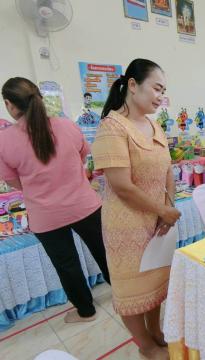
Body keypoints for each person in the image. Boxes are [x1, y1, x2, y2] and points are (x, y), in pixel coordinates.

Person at [0, 77, 110, 323]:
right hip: (84, 204)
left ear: (9, 104)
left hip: (45, 216)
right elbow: (84, 156)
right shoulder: (66, 125)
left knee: (67, 265)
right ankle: (124, 295)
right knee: (105, 252)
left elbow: (13, 182)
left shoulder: (4, 141)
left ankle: (86, 311)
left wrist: (38, 187)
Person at [91, 59, 181, 359]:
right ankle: (146, 347)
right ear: (132, 85)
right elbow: (122, 185)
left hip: (158, 220)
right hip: (126, 224)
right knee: (131, 291)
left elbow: (167, 168)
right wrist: (162, 210)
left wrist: (167, 207)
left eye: (163, 91)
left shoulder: (155, 125)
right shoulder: (112, 128)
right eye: (156, 88)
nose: (160, 96)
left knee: (155, 283)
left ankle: (156, 333)